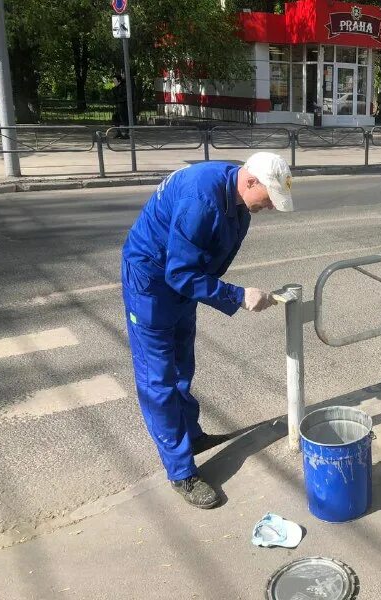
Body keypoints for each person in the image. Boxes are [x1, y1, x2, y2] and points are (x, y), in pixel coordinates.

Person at [121, 153, 294, 509]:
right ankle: (181, 472)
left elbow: (201, 263)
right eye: (269, 199)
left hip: (185, 281)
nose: (270, 207)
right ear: (251, 182)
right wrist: (237, 296)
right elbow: (179, 273)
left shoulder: (236, 197)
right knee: (159, 380)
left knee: (183, 364)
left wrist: (217, 290)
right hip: (151, 284)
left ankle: (191, 435)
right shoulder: (201, 199)